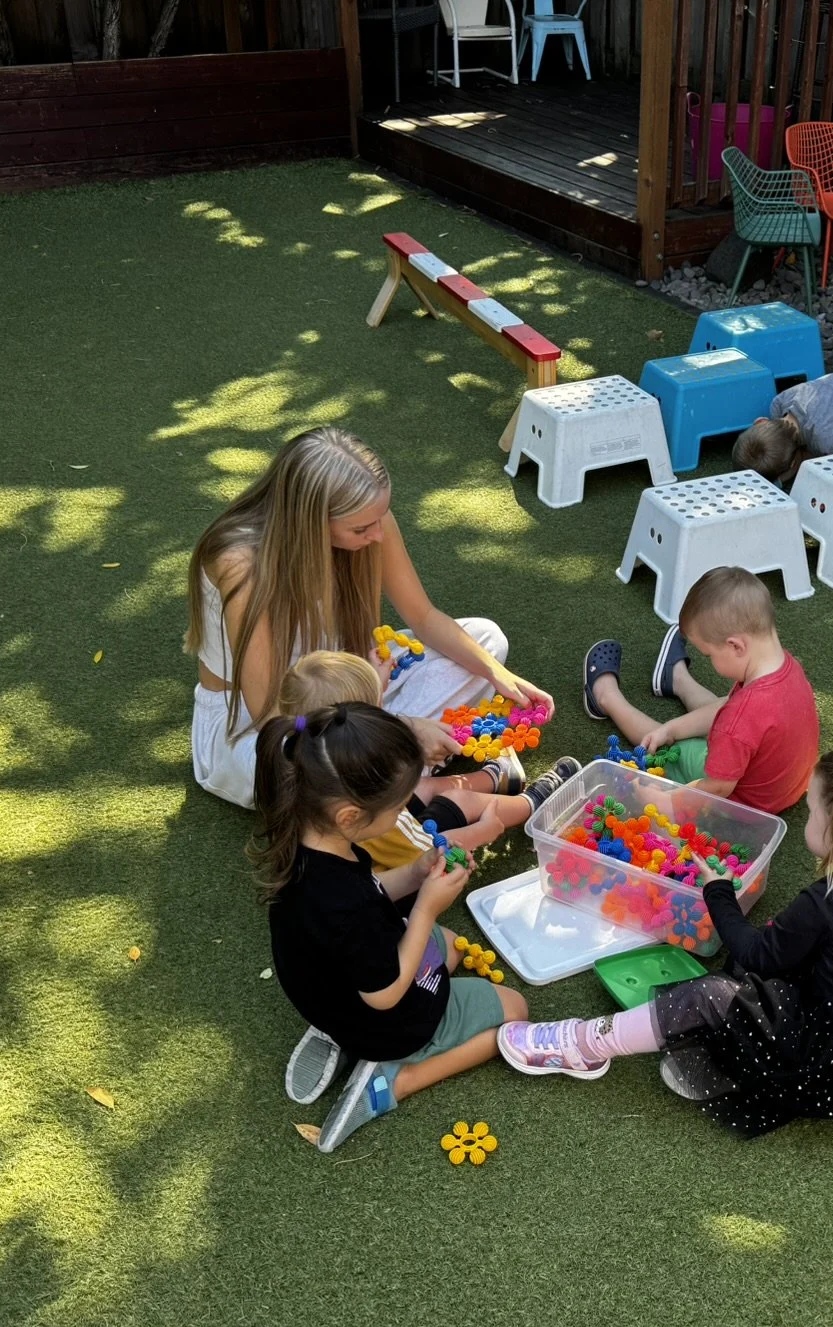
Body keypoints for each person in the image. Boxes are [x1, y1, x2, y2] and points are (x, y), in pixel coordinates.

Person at [497, 742, 833, 1137]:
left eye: (812, 810)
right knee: (770, 964)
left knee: (709, 996)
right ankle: (725, 1058)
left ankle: (585, 1045)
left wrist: (717, 892)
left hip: (830, 1061)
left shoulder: (827, 902)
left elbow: (754, 954)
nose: (809, 817)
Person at [187, 426, 556, 808]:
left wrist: (500, 676)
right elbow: (274, 716)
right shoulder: (241, 564)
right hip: (263, 724)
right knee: (302, 770)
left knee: (486, 641)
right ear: (311, 523)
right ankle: (414, 782)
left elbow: (424, 617)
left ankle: (388, 771)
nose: (378, 535)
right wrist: (404, 727)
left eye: (379, 518)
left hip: (351, 685)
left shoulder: (372, 523)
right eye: (362, 528)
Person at [256, 702, 527, 1151]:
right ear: (349, 816)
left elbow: (370, 893)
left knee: (451, 946)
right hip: (384, 1017)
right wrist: (425, 909)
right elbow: (384, 994)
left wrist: (418, 872)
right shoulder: (344, 906)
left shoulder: (309, 844)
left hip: (330, 993)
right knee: (513, 1010)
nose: (405, 812)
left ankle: (338, 1034)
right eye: (397, 806)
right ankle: (394, 1079)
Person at [279, 650, 580, 867]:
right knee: (460, 801)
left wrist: (374, 683)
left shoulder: (310, 757)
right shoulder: (373, 816)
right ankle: (533, 803)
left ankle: (496, 778)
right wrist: (481, 832)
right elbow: (428, 853)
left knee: (421, 788)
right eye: (374, 707)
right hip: (399, 854)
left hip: (368, 831)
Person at [579, 566, 820, 814]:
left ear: (736, 646)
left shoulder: (740, 718)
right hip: (784, 789)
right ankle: (676, 680)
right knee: (725, 713)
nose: (710, 661)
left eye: (709, 655)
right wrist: (671, 728)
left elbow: (718, 788)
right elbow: (729, 710)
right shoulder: (786, 668)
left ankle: (606, 697)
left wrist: (668, 801)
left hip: (741, 807)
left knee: (670, 750)